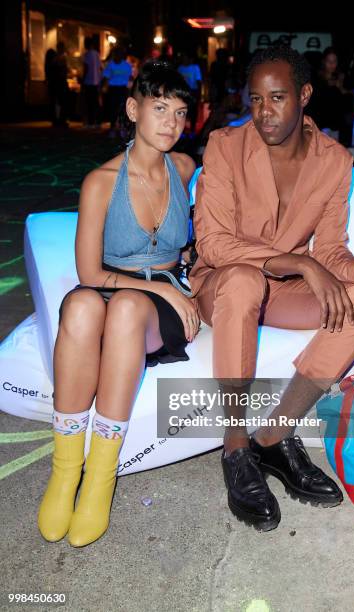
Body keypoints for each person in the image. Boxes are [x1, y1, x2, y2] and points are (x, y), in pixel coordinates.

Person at [189, 46, 354, 532]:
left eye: (277, 98)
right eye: (256, 99)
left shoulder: (334, 160)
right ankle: (237, 446)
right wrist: (297, 261)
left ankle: (274, 438)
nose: (264, 113)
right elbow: (214, 244)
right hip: (221, 284)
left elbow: (331, 248)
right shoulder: (225, 145)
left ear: (303, 95)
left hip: (279, 289)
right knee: (242, 281)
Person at [37, 60, 199, 547]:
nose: (171, 123)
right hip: (116, 286)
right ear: (133, 109)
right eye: (159, 108)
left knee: (128, 308)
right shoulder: (101, 182)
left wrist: (180, 277)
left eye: (180, 112)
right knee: (83, 306)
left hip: (153, 304)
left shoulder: (186, 168)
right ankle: (66, 471)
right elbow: (90, 274)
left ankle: (100, 479)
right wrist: (163, 288)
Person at [101, 46, 133, 137]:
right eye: (116, 54)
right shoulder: (110, 65)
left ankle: (122, 128)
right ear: (114, 55)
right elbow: (105, 77)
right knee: (113, 109)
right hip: (113, 89)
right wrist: (102, 87)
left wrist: (130, 90)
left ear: (122, 55)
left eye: (119, 54)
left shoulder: (127, 65)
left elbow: (130, 78)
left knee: (122, 109)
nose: (117, 55)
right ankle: (112, 128)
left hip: (123, 89)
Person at [178, 54, 202, 133]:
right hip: (183, 92)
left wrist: (198, 93)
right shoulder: (180, 68)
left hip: (193, 91)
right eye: (183, 58)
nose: (184, 60)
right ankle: (182, 128)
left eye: (185, 58)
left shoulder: (195, 68)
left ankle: (192, 129)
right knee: (183, 110)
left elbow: (199, 81)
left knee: (193, 111)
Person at [82, 37, 102, 128]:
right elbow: (99, 68)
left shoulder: (87, 54)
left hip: (88, 81)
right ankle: (97, 121)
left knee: (89, 102)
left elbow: (86, 68)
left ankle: (90, 122)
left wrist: (83, 79)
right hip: (96, 81)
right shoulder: (97, 54)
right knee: (95, 102)